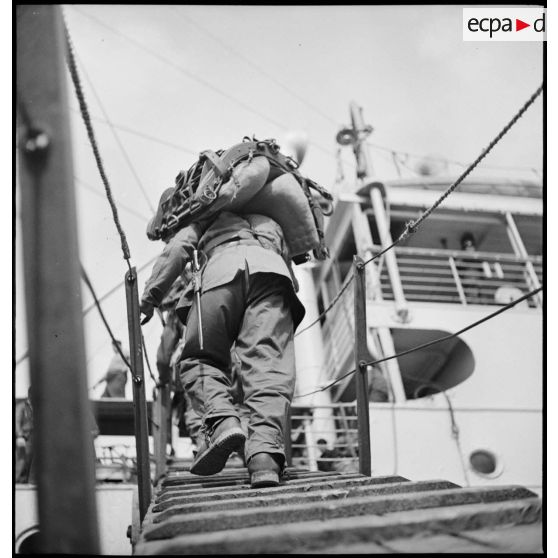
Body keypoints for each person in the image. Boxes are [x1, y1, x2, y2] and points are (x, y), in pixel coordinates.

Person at [140, 210, 305, 488]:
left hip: (221, 272)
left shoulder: (208, 212)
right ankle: (264, 458)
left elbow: (179, 248)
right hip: (274, 276)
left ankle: (222, 422)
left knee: (199, 360)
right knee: (269, 370)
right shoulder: (272, 218)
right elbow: (292, 275)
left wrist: (148, 298)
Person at [15, 387, 34, 483]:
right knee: (22, 460)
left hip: (34, 437)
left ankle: (28, 480)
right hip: (25, 437)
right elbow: (16, 421)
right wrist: (19, 435)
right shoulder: (22, 406)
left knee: (31, 461)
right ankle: (17, 480)